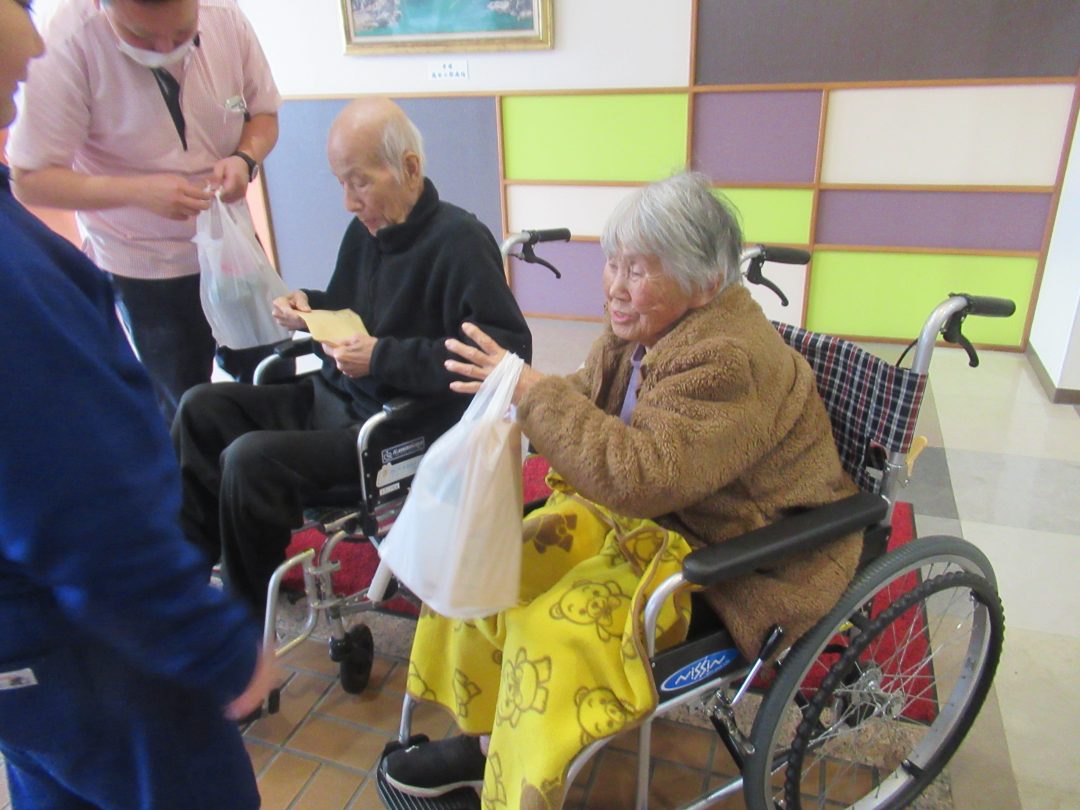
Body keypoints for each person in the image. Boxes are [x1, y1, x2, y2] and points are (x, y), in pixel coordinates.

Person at [382, 172, 862, 808]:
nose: (613, 285)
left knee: (552, 634)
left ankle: (517, 788)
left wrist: (534, 395)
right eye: (613, 262)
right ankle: (485, 742)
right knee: (489, 565)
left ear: (705, 283)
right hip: (649, 524)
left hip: (737, 555)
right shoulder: (643, 327)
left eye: (637, 269)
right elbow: (587, 395)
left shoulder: (728, 359)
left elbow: (641, 477)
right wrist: (518, 400)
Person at [0, 3, 273, 807]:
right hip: (74, 640)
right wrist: (213, 643)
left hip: (43, 651)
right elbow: (79, 500)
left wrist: (243, 160)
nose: (33, 38)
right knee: (194, 417)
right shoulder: (16, 289)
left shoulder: (228, 24)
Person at [172, 96, 533, 617]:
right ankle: (188, 578)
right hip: (334, 397)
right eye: (341, 183)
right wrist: (308, 308)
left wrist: (381, 358)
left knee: (250, 459)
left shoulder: (460, 242)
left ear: (409, 168)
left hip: (389, 431)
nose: (347, 202)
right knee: (200, 408)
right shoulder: (365, 232)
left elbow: (506, 349)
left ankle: (242, 629)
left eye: (358, 183)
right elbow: (351, 310)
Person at [6, 0, 282, 423]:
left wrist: (245, 158)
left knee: (272, 378)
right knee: (182, 406)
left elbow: (263, 113)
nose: (164, 48)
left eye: (182, 33)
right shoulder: (66, 39)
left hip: (233, 247)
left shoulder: (224, 15)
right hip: (143, 264)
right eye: (141, 36)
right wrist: (137, 192)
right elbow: (28, 180)